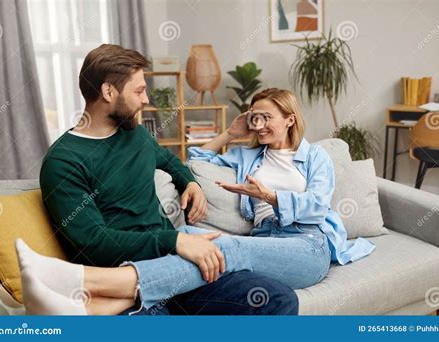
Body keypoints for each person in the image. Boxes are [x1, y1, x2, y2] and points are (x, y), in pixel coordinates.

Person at [17, 44, 298, 316]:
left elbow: (170, 161)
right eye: (138, 90)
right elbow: (93, 244)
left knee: (277, 299)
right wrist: (173, 240)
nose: (145, 99)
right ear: (107, 91)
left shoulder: (134, 135)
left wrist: (190, 182)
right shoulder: (64, 161)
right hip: (120, 277)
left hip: (175, 268)